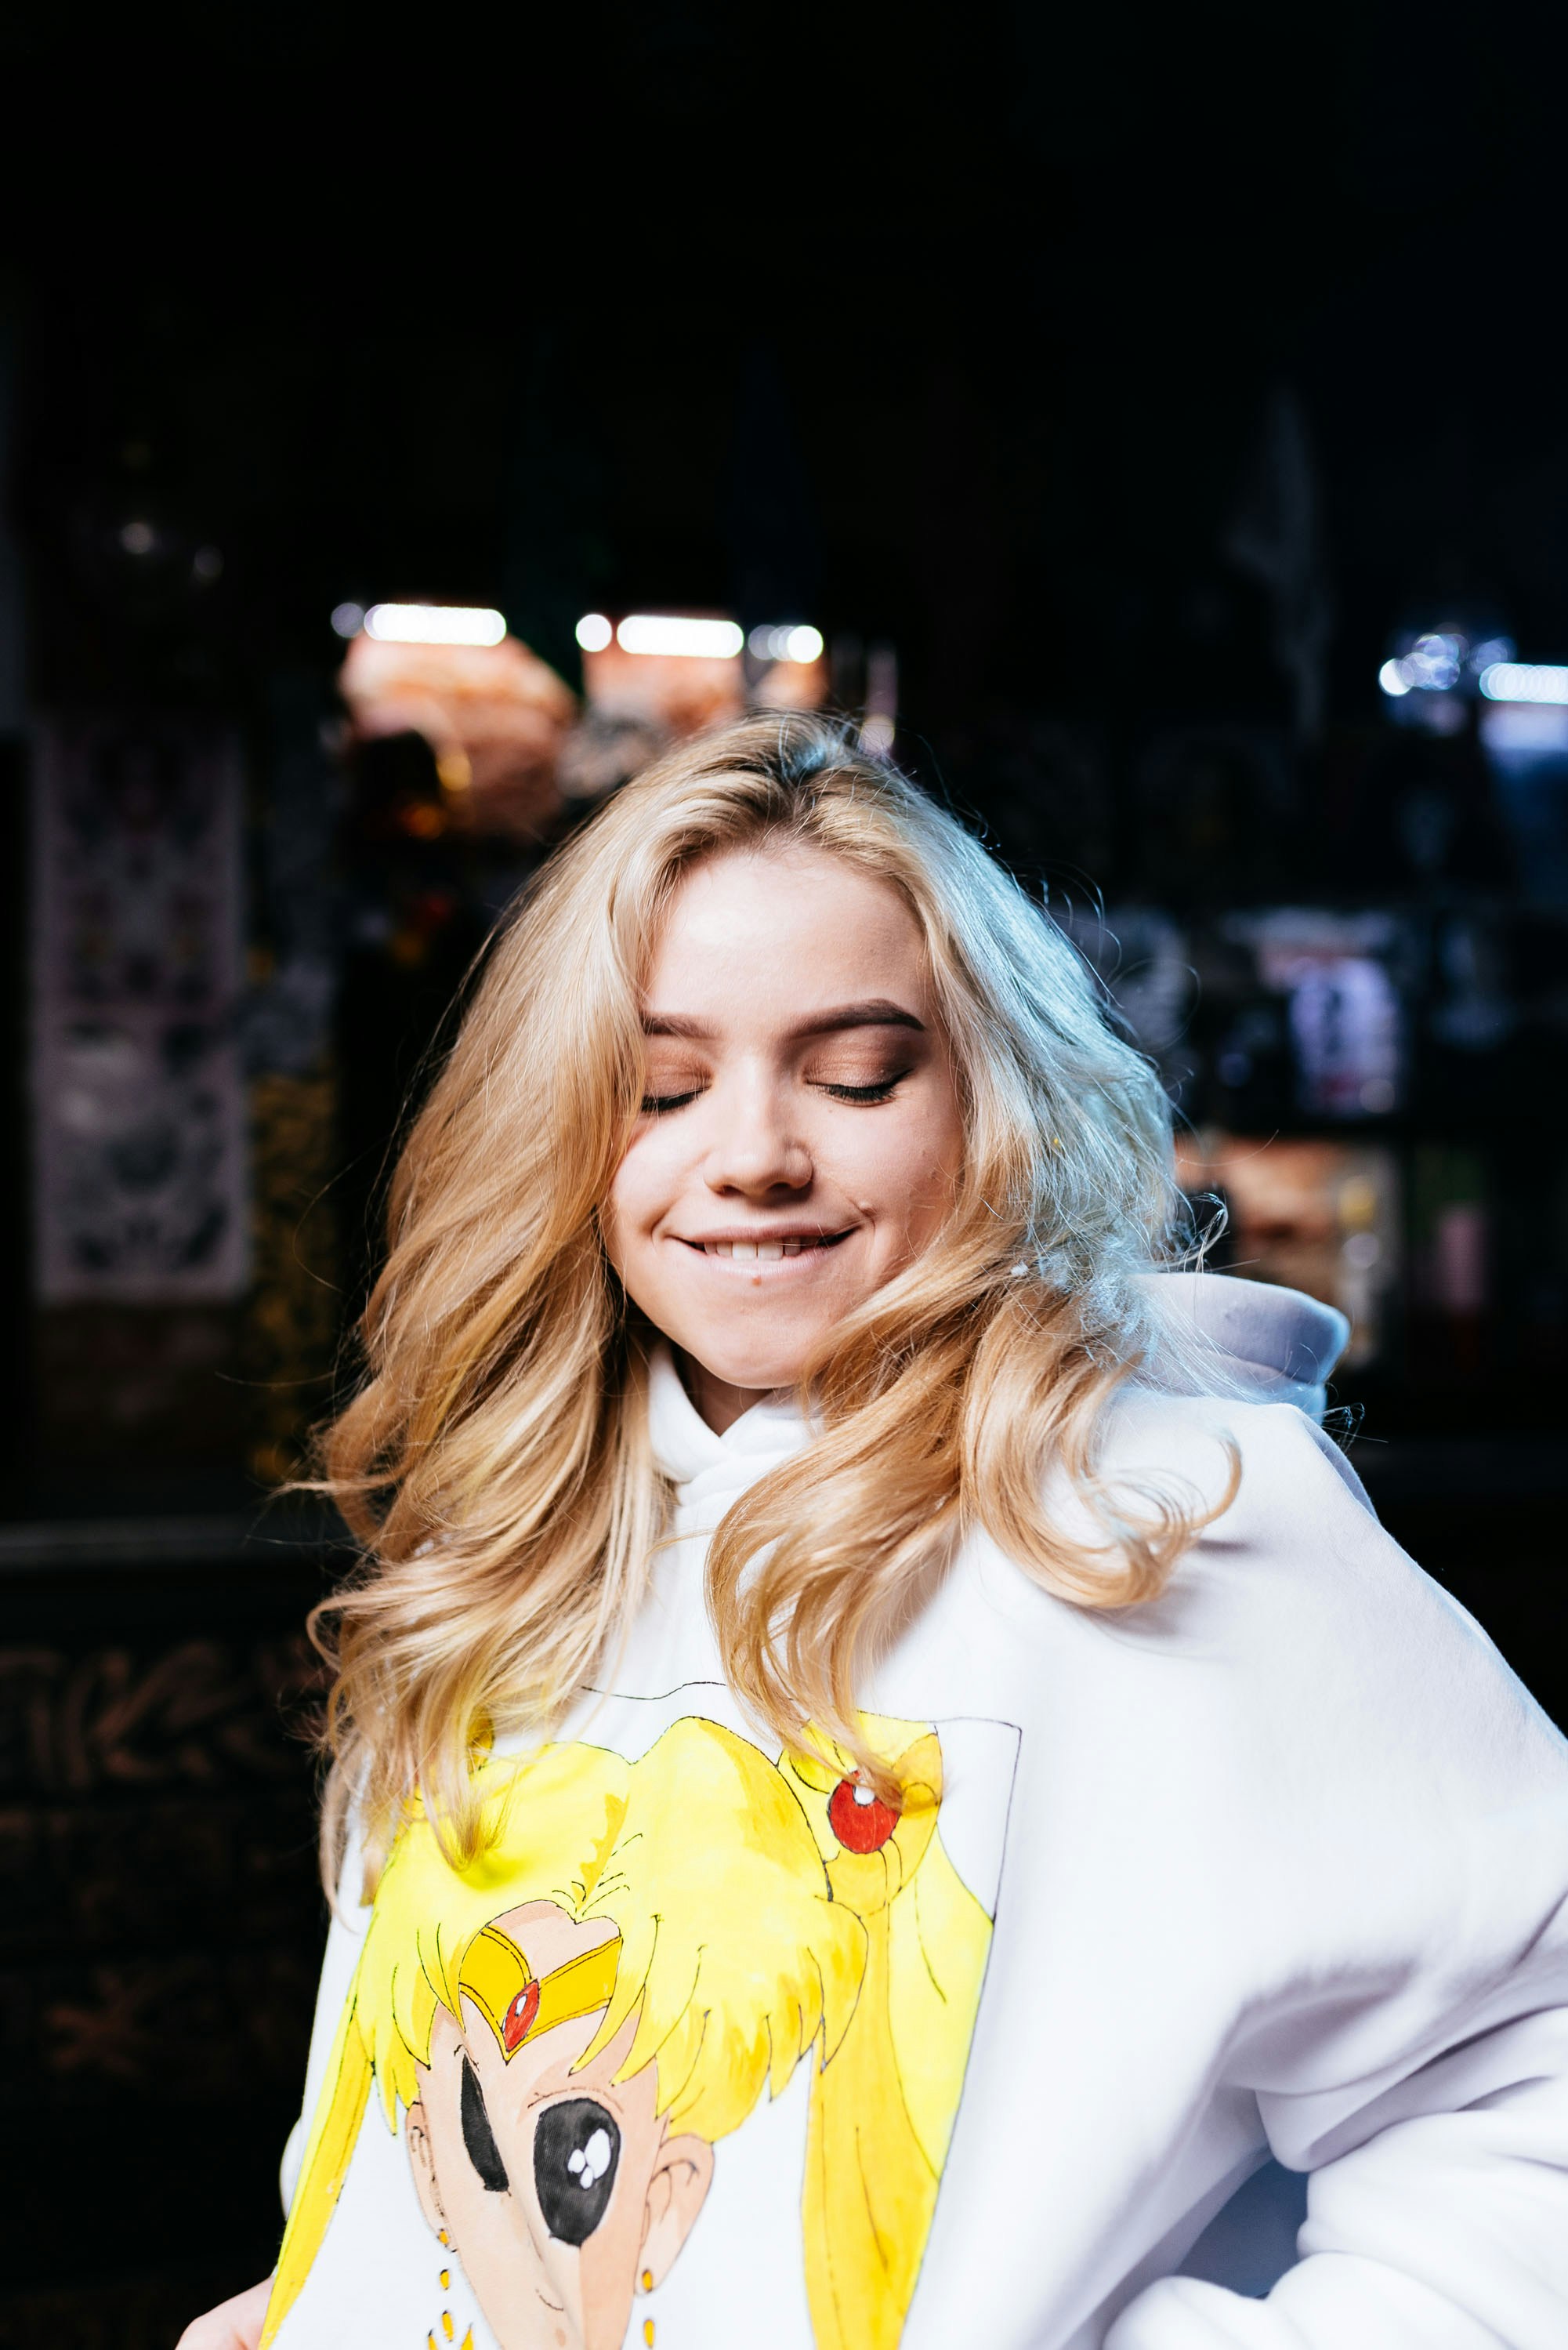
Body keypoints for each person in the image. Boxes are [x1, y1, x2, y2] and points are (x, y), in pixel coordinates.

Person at [181, 713, 1568, 2350]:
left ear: (985, 1098)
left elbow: (1525, 2098)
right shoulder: (512, 1545)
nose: (754, 1156)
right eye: (660, 1086)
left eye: (853, 1075)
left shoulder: (1169, 1521)